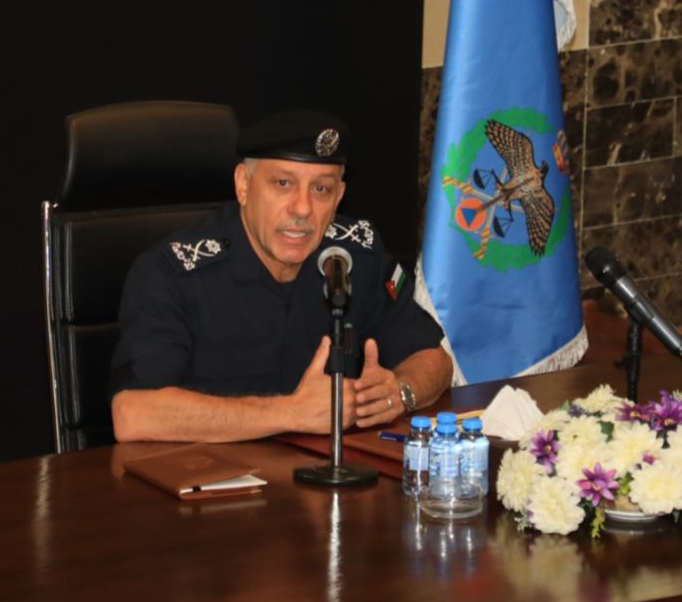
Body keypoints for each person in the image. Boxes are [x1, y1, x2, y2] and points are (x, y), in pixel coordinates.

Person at [109, 110, 453, 442]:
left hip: (326, 473)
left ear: (339, 197)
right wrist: (292, 413)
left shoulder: (354, 258)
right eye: (283, 183)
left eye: (321, 189)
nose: (302, 208)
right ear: (244, 185)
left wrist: (399, 392)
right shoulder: (175, 273)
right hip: (208, 475)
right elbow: (133, 414)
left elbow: (434, 358)